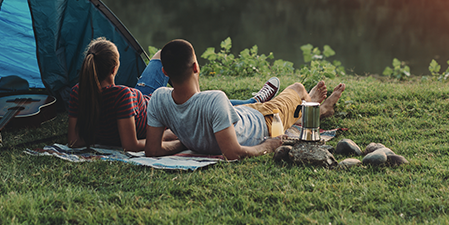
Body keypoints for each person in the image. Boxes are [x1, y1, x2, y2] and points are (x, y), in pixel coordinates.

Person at [67, 37, 281, 152]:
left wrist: (97, 134)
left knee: (164, 53)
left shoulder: (79, 92)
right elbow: (130, 145)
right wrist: (180, 141)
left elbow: (74, 141)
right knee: (191, 96)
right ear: (115, 68)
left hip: (140, 97)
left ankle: (249, 100)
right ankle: (253, 101)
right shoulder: (121, 96)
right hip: (151, 103)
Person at [145, 39, 346, 160]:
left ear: (164, 72)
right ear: (196, 67)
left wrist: (184, 142)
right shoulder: (214, 99)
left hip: (246, 113)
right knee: (298, 88)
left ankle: (303, 113)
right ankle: (317, 110)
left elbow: (152, 150)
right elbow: (233, 153)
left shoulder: (158, 99)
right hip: (267, 122)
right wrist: (268, 146)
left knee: (260, 106)